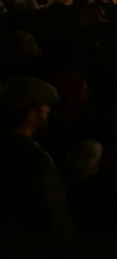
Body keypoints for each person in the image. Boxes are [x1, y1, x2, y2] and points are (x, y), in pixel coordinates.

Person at [0, 76, 77, 240]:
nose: (49, 110)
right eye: (45, 105)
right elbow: (55, 216)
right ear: (31, 114)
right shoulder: (36, 159)